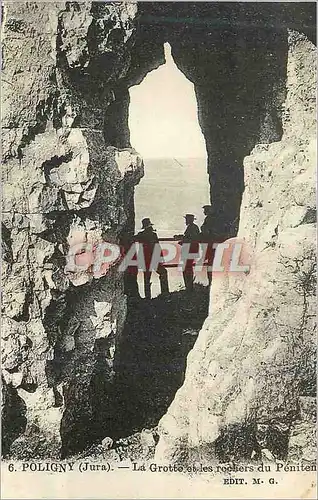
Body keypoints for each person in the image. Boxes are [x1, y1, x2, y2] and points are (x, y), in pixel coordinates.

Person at [134, 218, 169, 300]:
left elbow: (134, 238)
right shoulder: (153, 235)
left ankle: (147, 297)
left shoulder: (141, 235)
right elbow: (158, 247)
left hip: (145, 258)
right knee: (163, 272)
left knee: (147, 277)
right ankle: (165, 293)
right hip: (154, 258)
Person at [174, 214, 200, 291]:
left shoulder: (191, 227)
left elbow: (190, 239)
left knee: (186, 268)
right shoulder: (193, 227)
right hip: (192, 250)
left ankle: (189, 287)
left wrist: (182, 241)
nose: (185, 221)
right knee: (188, 267)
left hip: (190, 250)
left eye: (186, 219)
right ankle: (189, 286)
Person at [200, 205, 215, 286]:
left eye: (205, 210)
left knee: (210, 265)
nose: (204, 211)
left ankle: (211, 282)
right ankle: (211, 282)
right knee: (211, 264)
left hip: (210, 245)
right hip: (211, 245)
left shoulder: (209, 219)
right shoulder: (210, 219)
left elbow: (206, 231)